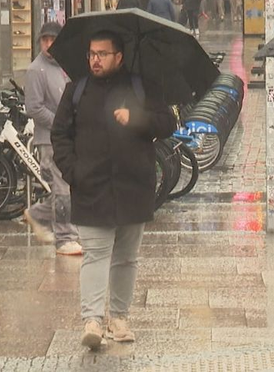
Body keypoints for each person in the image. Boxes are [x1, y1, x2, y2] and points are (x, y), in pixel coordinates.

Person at [51, 30, 177, 350]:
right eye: (92, 53)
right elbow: (60, 135)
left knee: (125, 258)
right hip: (91, 186)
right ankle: (92, 320)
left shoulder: (140, 86)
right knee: (95, 253)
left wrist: (137, 118)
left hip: (133, 185)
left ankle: (119, 317)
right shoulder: (76, 90)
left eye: (103, 54)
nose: (95, 59)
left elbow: (167, 124)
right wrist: (73, 172)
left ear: (118, 57)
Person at [23, 22, 81, 256]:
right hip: (49, 139)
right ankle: (65, 237)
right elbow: (34, 108)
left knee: (65, 187)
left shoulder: (65, 66)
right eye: (44, 40)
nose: (48, 44)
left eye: (52, 40)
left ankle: (37, 214)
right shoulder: (36, 70)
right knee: (62, 187)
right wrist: (61, 122)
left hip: (67, 137)